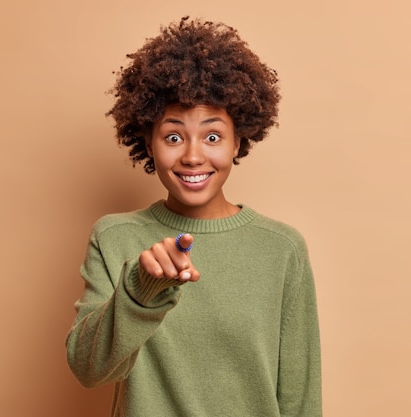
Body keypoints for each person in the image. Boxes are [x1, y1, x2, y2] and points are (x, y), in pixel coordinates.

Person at [66, 16, 322, 417]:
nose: (192, 155)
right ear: (147, 142)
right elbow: (88, 370)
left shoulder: (282, 249)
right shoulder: (114, 237)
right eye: (172, 136)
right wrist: (140, 290)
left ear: (240, 140)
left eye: (213, 136)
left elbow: (300, 398)